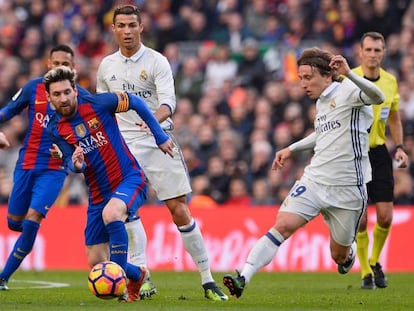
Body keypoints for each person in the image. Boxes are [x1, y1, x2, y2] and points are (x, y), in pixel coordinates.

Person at [222, 47, 385, 298]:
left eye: (308, 78)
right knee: (282, 225)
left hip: (348, 188)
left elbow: (379, 97)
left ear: (327, 75)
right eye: (300, 78)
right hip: (315, 179)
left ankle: (348, 254)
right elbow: (322, 135)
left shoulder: (349, 92)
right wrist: (291, 149)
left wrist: (349, 74)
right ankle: (243, 276)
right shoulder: (321, 103)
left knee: (338, 255)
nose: (303, 84)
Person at [96, 4, 228, 301]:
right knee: (126, 211)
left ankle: (207, 280)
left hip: (158, 141)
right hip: (123, 145)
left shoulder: (157, 61)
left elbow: (170, 102)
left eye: (133, 25)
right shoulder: (106, 66)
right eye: (122, 26)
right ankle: (143, 277)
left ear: (141, 27)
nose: (127, 31)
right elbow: (102, 108)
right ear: (113, 29)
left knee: (178, 209)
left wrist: (152, 122)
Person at [44, 66, 174, 302]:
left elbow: (135, 102)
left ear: (75, 90)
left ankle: (125, 281)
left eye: (66, 92)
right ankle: (137, 274)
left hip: (129, 179)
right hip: (97, 193)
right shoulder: (55, 128)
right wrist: (77, 164)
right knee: (96, 261)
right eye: (57, 94)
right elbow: (72, 165)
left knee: (112, 213)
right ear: (49, 97)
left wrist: (160, 135)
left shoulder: (99, 104)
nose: (63, 98)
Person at [0, 45, 89, 291]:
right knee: (14, 223)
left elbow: (80, 145)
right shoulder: (33, 88)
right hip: (26, 163)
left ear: (73, 68)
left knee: (32, 220)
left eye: (66, 64)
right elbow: (7, 111)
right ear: (49, 64)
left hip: (54, 170)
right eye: (56, 62)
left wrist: (75, 163)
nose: (61, 67)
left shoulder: (81, 98)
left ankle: (3, 277)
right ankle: (27, 234)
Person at [353, 31, 409, 290]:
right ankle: (365, 272)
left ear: (384, 52)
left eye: (378, 50)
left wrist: (399, 146)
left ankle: (375, 261)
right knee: (361, 218)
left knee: (385, 216)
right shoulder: (348, 79)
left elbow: (394, 117)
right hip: (353, 154)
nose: (373, 54)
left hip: (378, 152)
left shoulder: (390, 81)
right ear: (360, 52)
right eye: (369, 50)